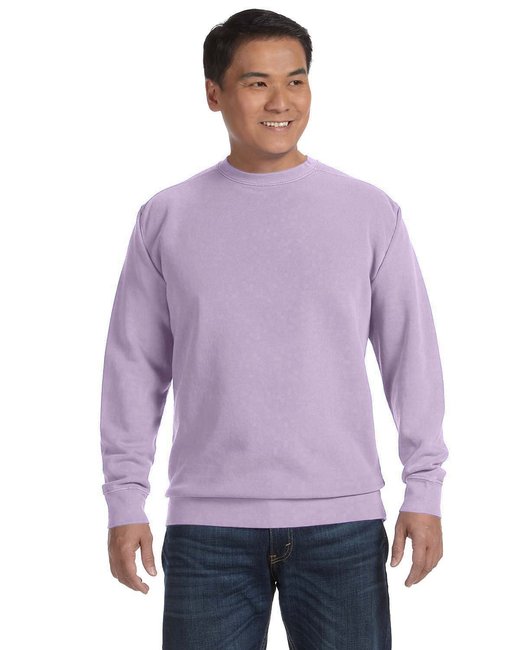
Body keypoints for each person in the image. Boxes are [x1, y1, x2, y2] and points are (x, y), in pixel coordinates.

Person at [99, 8, 449, 649]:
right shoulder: (166, 217)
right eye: (257, 82)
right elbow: (132, 369)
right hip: (208, 528)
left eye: (296, 80)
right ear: (214, 93)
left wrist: (423, 490)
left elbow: (412, 360)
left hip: (342, 523)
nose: (281, 101)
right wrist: (125, 501)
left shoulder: (369, 212)